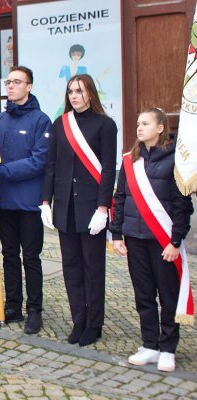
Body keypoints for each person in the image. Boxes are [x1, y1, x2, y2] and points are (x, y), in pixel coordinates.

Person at [110, 108, 193, 373]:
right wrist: (117, 234)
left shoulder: (175, 161)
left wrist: (175, 241)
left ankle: (168, 348)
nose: (139, 127)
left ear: (160, 128)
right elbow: (120, 198)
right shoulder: (130, 160)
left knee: (167, 296)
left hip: (163, 241)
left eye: (145, 123)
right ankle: (149, 345)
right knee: (143, 294)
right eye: (137, 123)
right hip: (135, 238)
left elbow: (182, 206)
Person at [42, 74, 117, 347]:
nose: (74, 96)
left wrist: (102, 207)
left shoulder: (105, 125)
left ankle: (94, 324)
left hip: (91, 208)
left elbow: (108, 169)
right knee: (71, 267)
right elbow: (51, 165)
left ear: (90, 94)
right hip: (65, 207)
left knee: (93, 268)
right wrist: (45, 202)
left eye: (80, 91)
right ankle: (78, 320)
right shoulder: (60, 124)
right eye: (71, 91)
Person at [0, 66, 52, 334]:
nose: (10, 86)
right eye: (8, 82)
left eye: (16, 82)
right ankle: (12, 306)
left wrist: (1, 172)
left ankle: (34, 310)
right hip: (3, 201)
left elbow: (38, 161)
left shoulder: (41, 120)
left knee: (31, 257)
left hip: (28, 202)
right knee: (9, 255)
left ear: (29, 86)